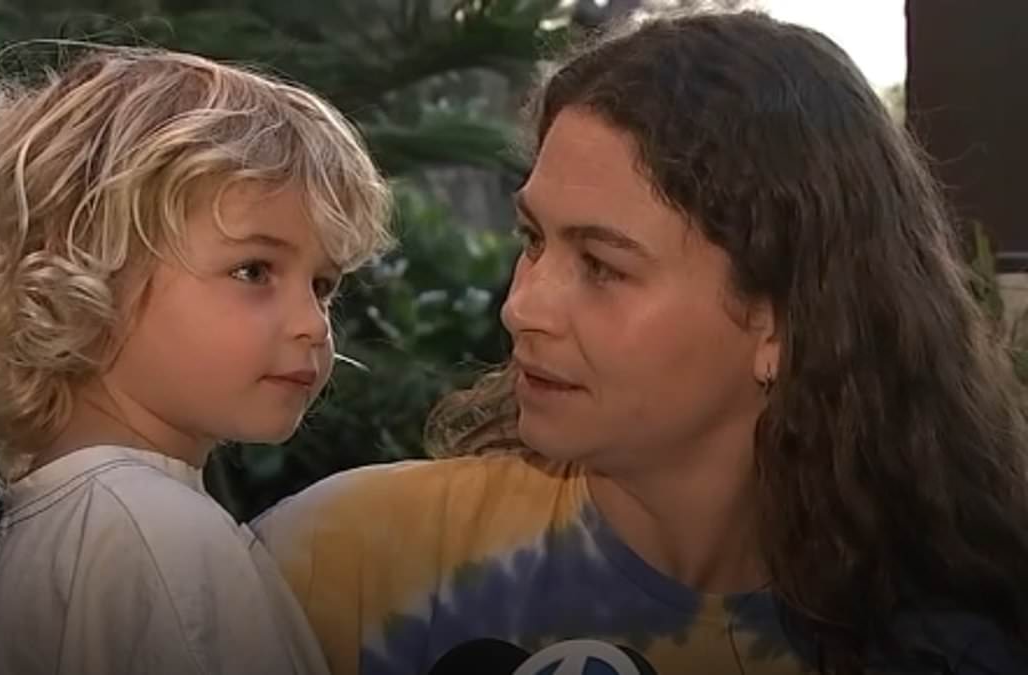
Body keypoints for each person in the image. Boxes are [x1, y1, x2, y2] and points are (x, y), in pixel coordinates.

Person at [250, 10, 1028, 675]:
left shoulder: (950, 640)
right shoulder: (344, 565)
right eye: (533, 239)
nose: (522, 306)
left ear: (781, 321)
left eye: (602, 265)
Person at [0, 45, 392, 675]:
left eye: (322, 285)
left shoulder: (67, 525)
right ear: (87, 265)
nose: (313, 325)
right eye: (253, 270)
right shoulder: (160, 536)